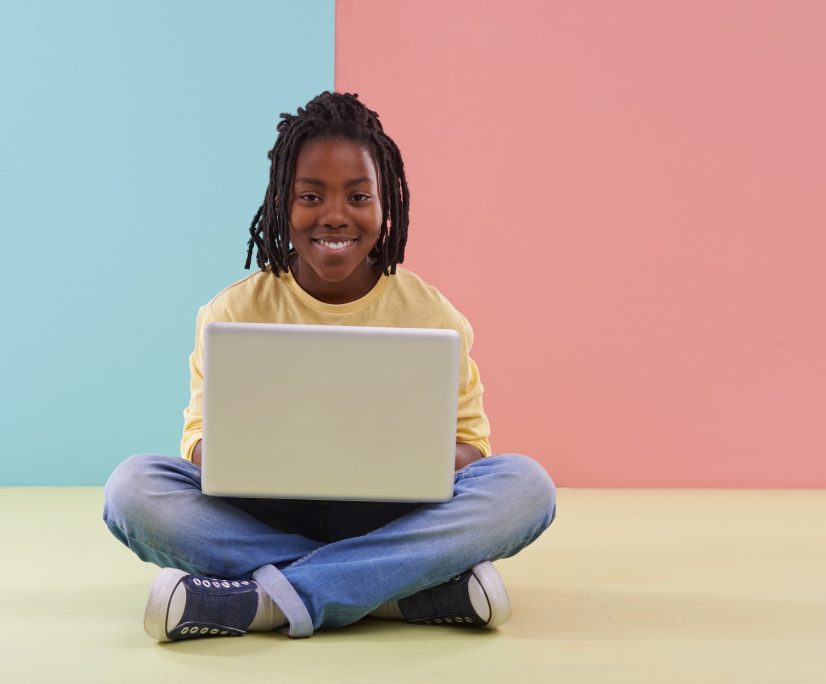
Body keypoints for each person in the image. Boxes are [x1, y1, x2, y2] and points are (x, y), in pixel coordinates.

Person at [103, 91, 556, 642]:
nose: (335, 215)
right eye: (311, 196)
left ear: (386, 204)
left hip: (390, 516)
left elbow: (472, 448)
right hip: (263, 516)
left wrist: (391, 456)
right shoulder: (234, 311)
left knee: (525, 486)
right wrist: (261, 452)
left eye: (358, 196)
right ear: (280, 204)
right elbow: (198, 444)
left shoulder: (434, 316)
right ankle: (395, 589)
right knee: (133, 489)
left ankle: (266, 600)